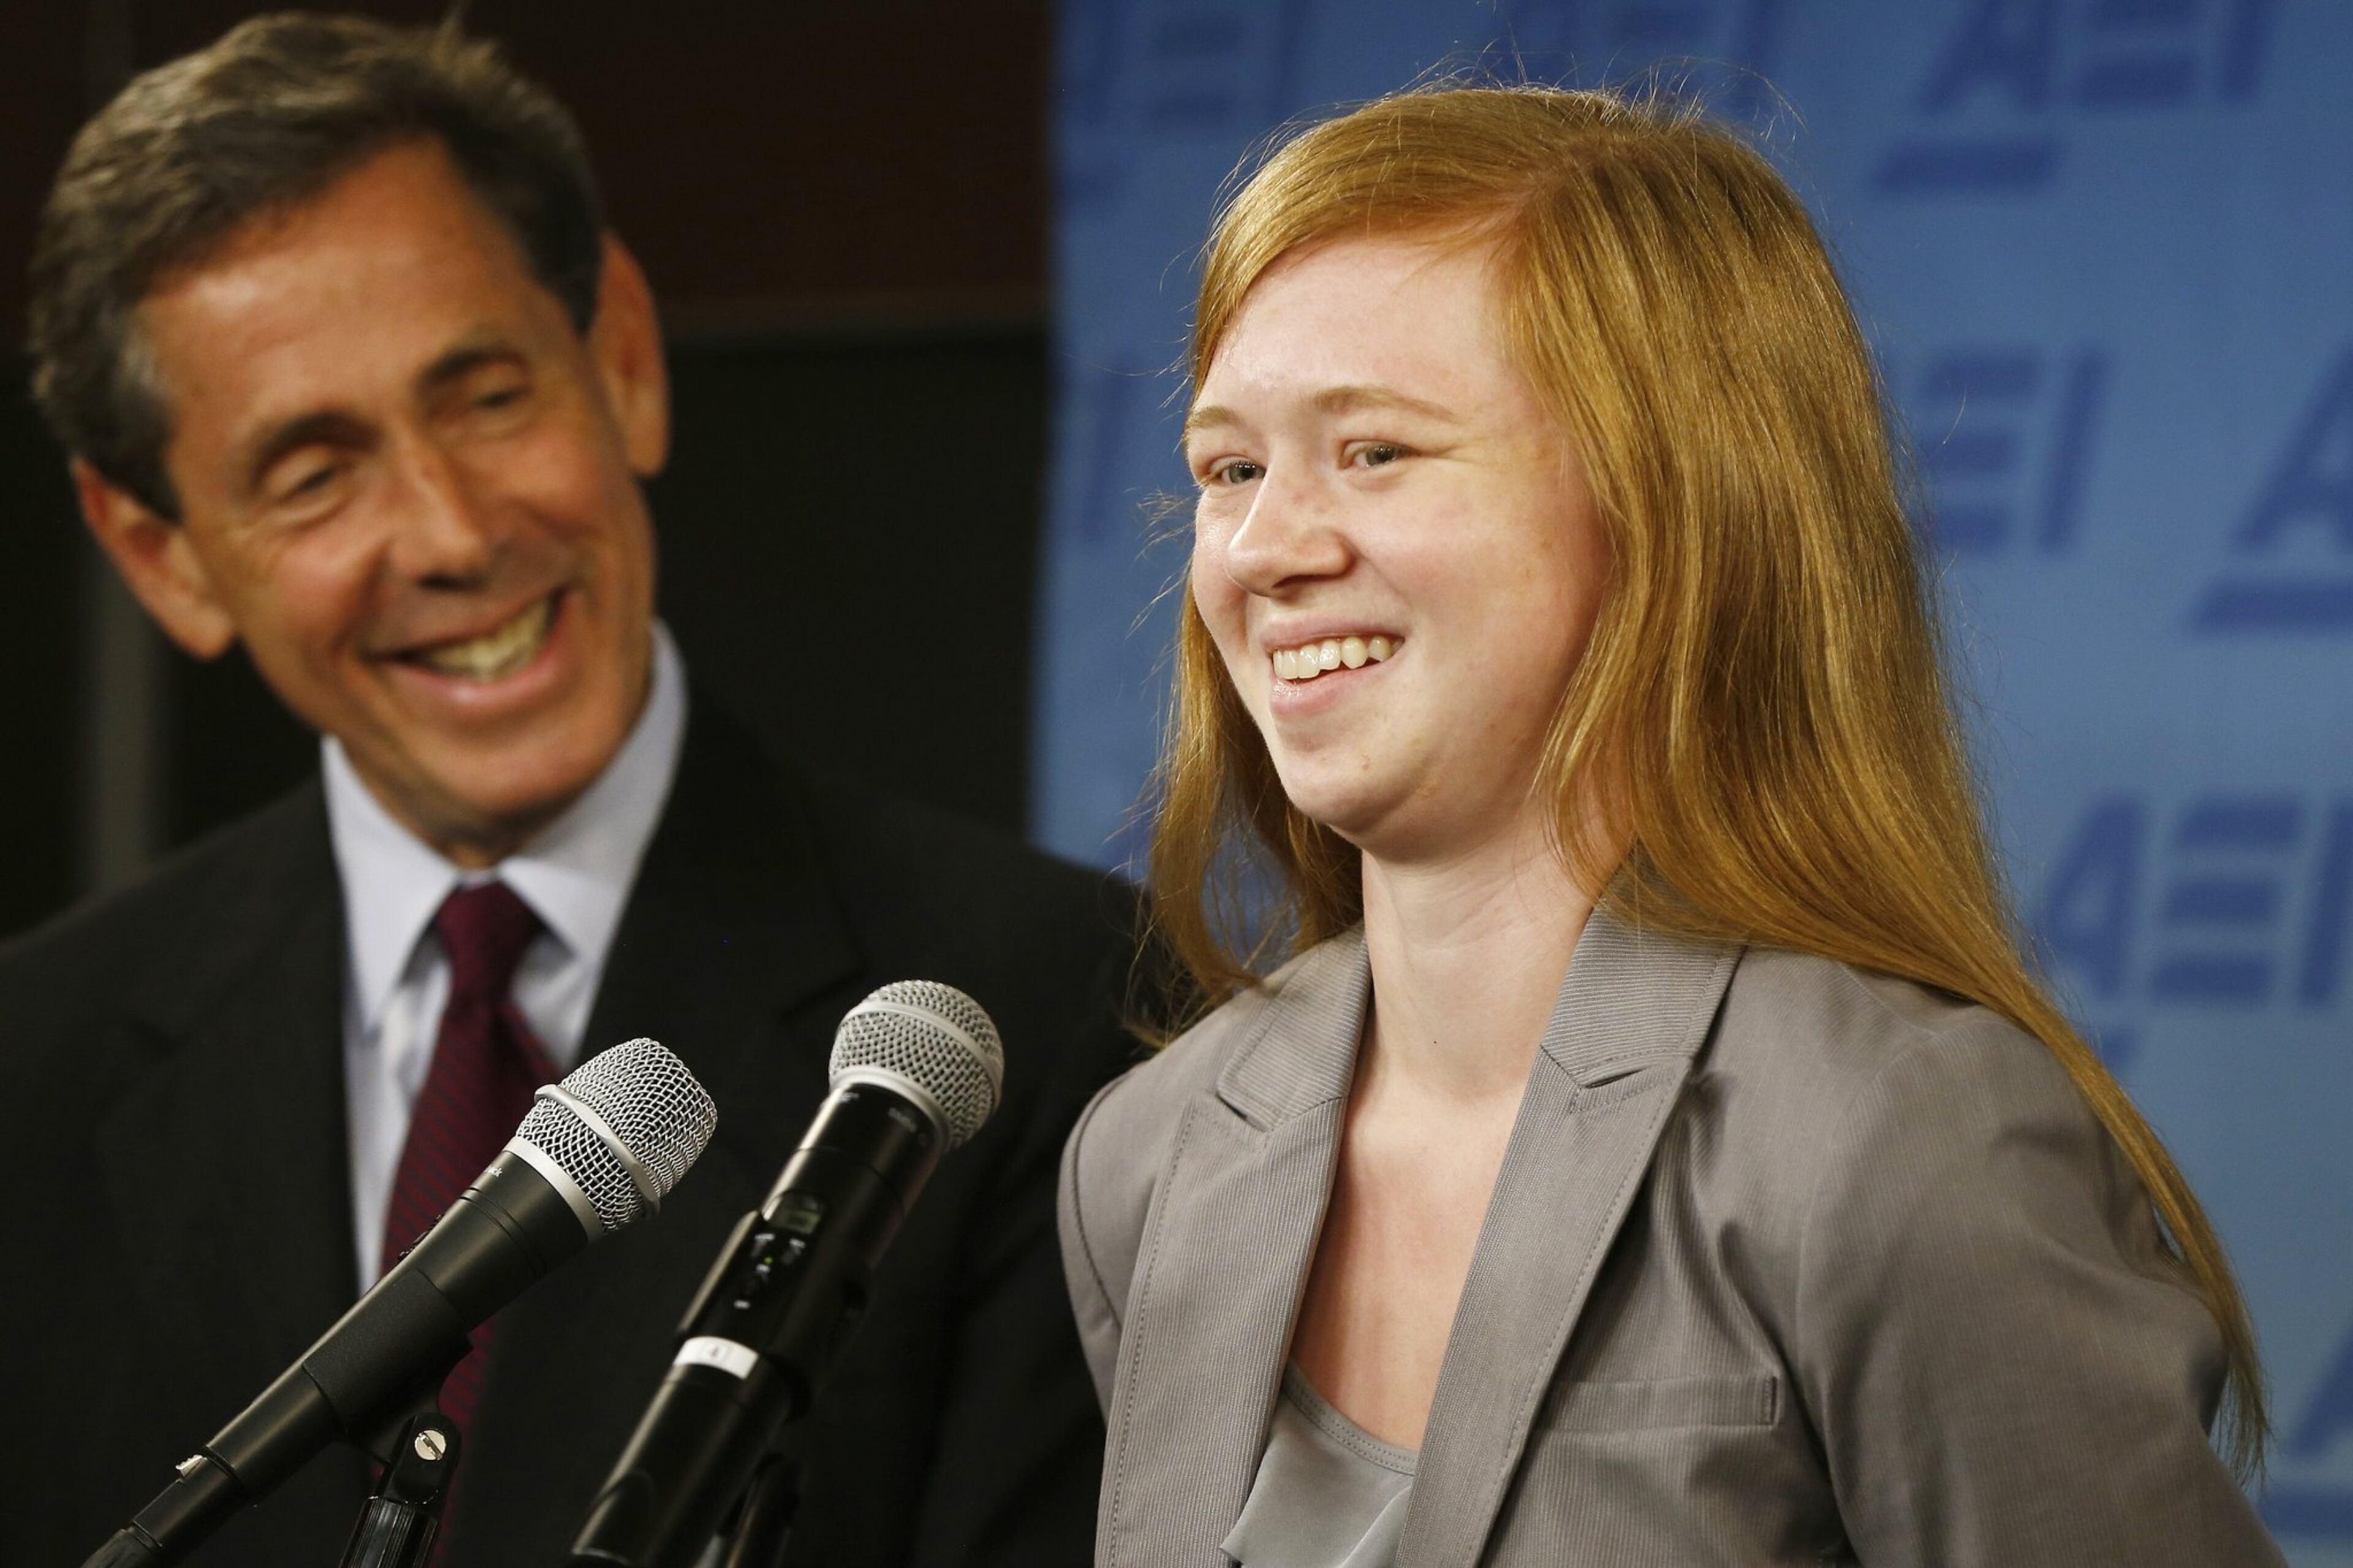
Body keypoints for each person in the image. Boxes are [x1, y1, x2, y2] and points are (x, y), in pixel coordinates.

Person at [1057, 83, 2286, 1566]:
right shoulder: (1150, 1158)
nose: (1264, 549)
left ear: (1674, 509)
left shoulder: (1897, 1143)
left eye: (1373, 451)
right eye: (1230, 468)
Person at [0, 15, 1136, 1568]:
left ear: (623, 363)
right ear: (164, 555)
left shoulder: (1058, 1013)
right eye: (315, 468)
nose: (455, 530)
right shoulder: (31, 1082)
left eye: (486, 397)